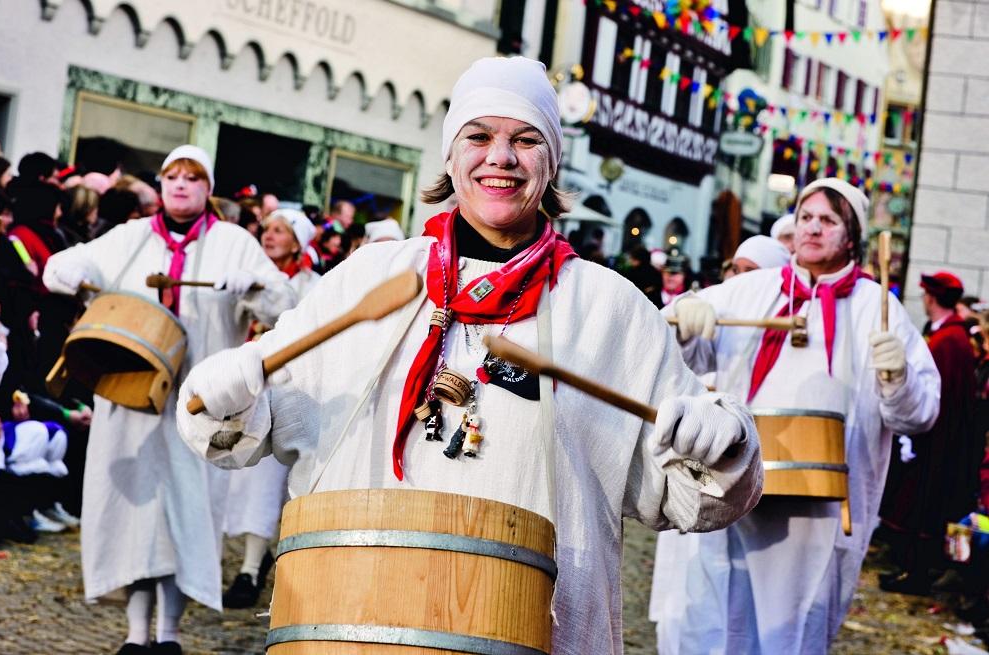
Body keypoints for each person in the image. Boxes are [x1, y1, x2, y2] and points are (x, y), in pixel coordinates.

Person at [176, 56, 763, 655]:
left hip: (537, 634)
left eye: (526, 140)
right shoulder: (371, 279)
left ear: (552, 160)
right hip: (355, 621)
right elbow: (245, 424)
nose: (500, 158)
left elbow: (695, 499)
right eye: (478, 136)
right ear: (450, 158)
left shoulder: (608, 309)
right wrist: (226, 393)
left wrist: (723, 443)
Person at [651, 178, 940, 654]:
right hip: (735, 488)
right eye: (806, 217)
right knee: (720, 613)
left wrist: (897, 377)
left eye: (827, 220)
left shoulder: (878, 308)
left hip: (821, 510)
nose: (812, 229)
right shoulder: (749, 290)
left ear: (851, 235)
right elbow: (675, 354)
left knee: (796, 626)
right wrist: (684, 320)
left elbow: (919, 414)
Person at [42, 144, 297, 655]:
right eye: (171, 176)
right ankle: (136, 635)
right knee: (133, 516)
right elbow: (66, 266)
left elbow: (283, 304)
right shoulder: (130, 238)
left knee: (187, 511)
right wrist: (62, 270)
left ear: (207, 188)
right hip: (130, 394)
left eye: (192, 177)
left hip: (199, 404)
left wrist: (254, 285)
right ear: (161, 185)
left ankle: (169, 635)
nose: (180, 184)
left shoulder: (234, 242)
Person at [221, 208, 320, 609]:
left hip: (289, 390)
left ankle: (261, 566)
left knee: (276, 481)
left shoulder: (313, 283)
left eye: (280, 230)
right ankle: (241, 562)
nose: (269, 236)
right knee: (244, 477)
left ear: (298, 241)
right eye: (267, 229)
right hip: (246, 389)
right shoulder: (243, 276)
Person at [879, 271, 978, 594]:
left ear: (931, 298)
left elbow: (940, 394)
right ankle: (912, 570)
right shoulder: (949, 336)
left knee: (923, 507)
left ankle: (916, 573)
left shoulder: (948, 340)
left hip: (937, 441)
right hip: (939, 438)